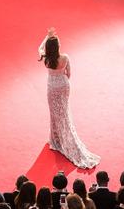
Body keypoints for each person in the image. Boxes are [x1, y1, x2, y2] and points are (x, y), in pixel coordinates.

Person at [38, 27, 100, 168]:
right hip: (64, 86)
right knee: (64, 112)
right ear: (58, 46)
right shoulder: (65, 58)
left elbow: (40, 48)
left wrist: (47, 37)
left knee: (55, 114)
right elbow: (69, 73)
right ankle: (62, 136)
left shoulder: (46, 58)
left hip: (52, 88)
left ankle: (56, 140)